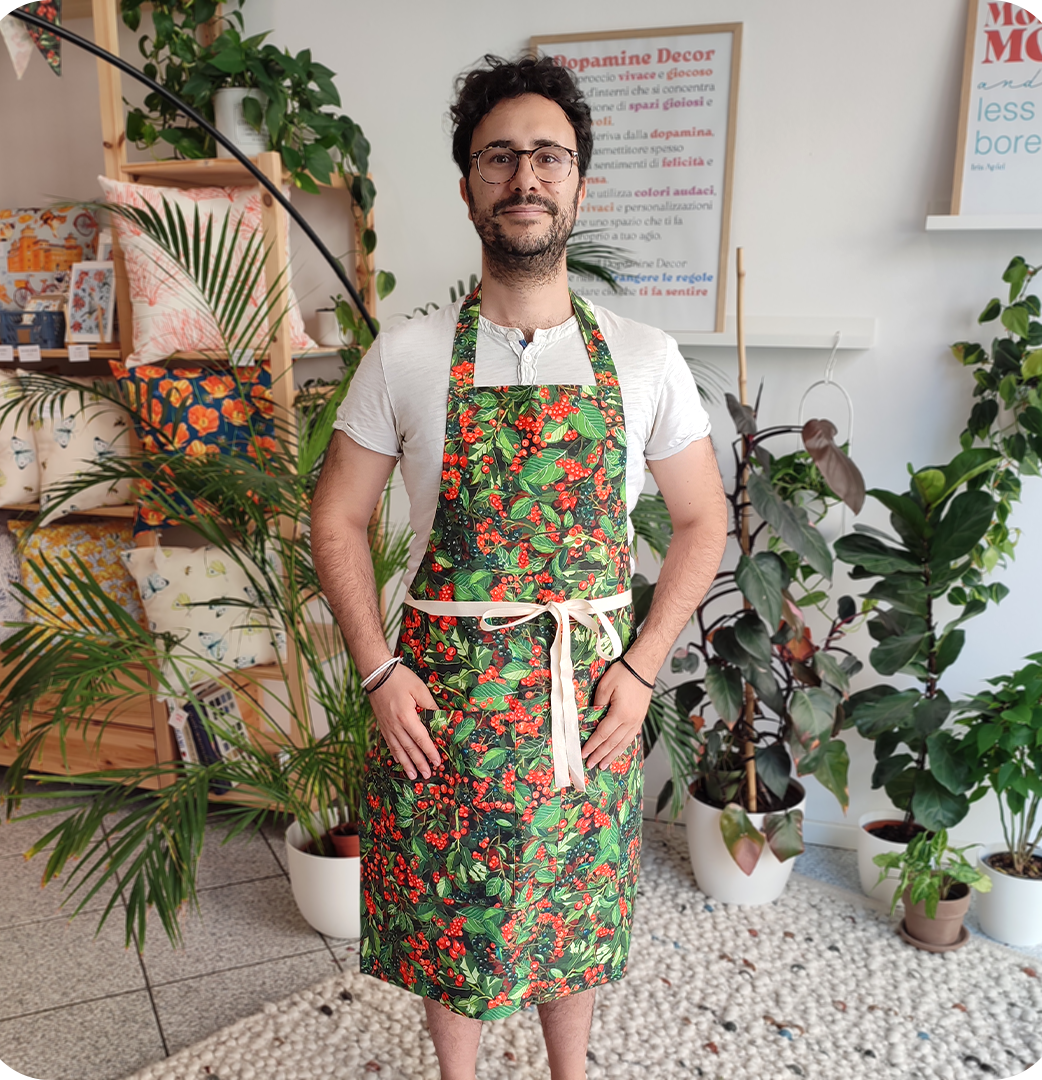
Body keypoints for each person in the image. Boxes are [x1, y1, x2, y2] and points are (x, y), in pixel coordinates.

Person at [310, 53, 728, 1080]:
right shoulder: (406, 356)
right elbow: (335, 517)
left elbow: (703, 518)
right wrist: (376, 670)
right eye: (501, 156)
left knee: (572, 899)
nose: (525, 176)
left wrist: (640, 668)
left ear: (580, 184)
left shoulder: (643, 356)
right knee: (451, 914)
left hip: (588, 694)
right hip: (439, 697)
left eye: (550, 156)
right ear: (468, 185)